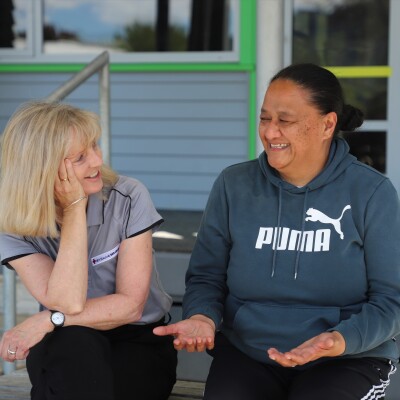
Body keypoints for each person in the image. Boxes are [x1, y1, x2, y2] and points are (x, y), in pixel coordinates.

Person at [154, 63, 400, 399]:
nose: (270, 132)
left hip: (345, 357)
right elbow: (206, 276)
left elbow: (392, 299)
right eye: (265, 118)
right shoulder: (234, 185)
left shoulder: (371, 193)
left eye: (285, 121)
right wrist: (202, 316)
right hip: (250, 354)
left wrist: (339, 340)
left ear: (327, 124)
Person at [0, 101, 177, 400]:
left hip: (137, 338)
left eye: (95, 145)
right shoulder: (12, 222)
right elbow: (66, 301)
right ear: (41, 168)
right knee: (73, 349)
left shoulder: (128, 196)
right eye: (80, 157)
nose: (97, 160)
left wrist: (47, 320)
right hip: (66, 342)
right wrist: (73, 208)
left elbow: (131, 305)